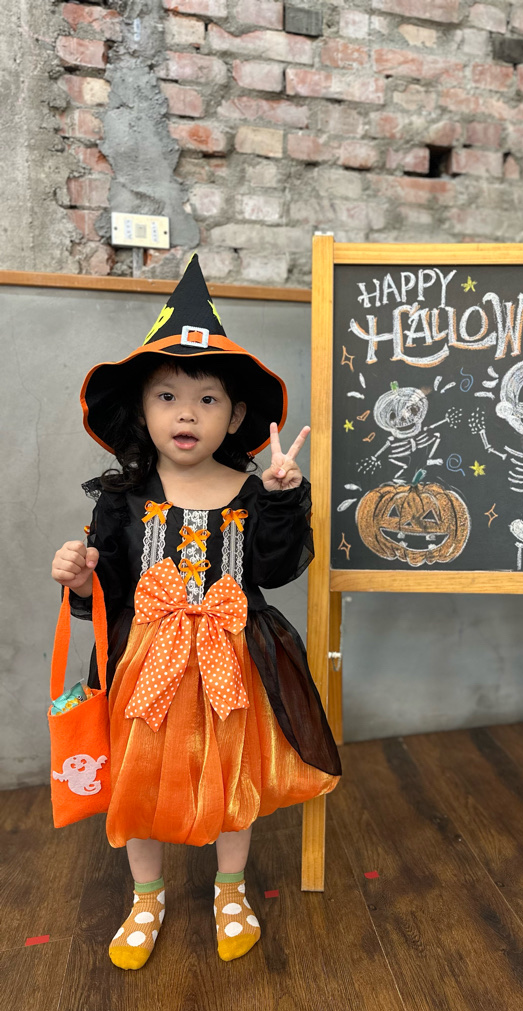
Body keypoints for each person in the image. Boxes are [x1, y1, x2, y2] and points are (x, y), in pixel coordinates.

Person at [50, 255, 342, 970]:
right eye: (168, 396)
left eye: (208, 399)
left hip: (231, 663)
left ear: (236, 415)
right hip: (141, 664)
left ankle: (230, 888)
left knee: (231, 774)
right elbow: (104, 592)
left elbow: (276, 569)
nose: (187, 413)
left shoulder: (254, 492)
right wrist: (81, 580)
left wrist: (283, 501)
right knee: (138, 778)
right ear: (143, 411)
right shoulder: (121, 500)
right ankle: (145, 896)